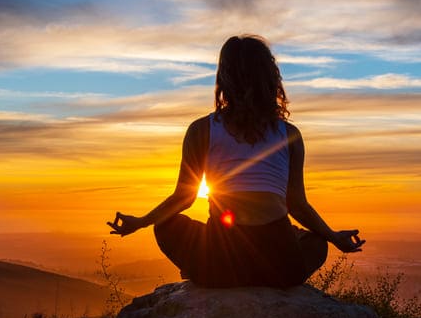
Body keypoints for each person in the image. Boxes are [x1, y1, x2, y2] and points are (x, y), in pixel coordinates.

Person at [108, 35, 364, 288]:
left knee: (165, 225)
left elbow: (183, 199)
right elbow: (297, 205)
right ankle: (256, 275)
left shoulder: (202, 130)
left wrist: (140, 222)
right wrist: (333, 237)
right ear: (271, 79)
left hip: (220, 262)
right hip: (282, 267)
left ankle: (203, 269)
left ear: (224, 79)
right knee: (316, 243)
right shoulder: (289, 135)